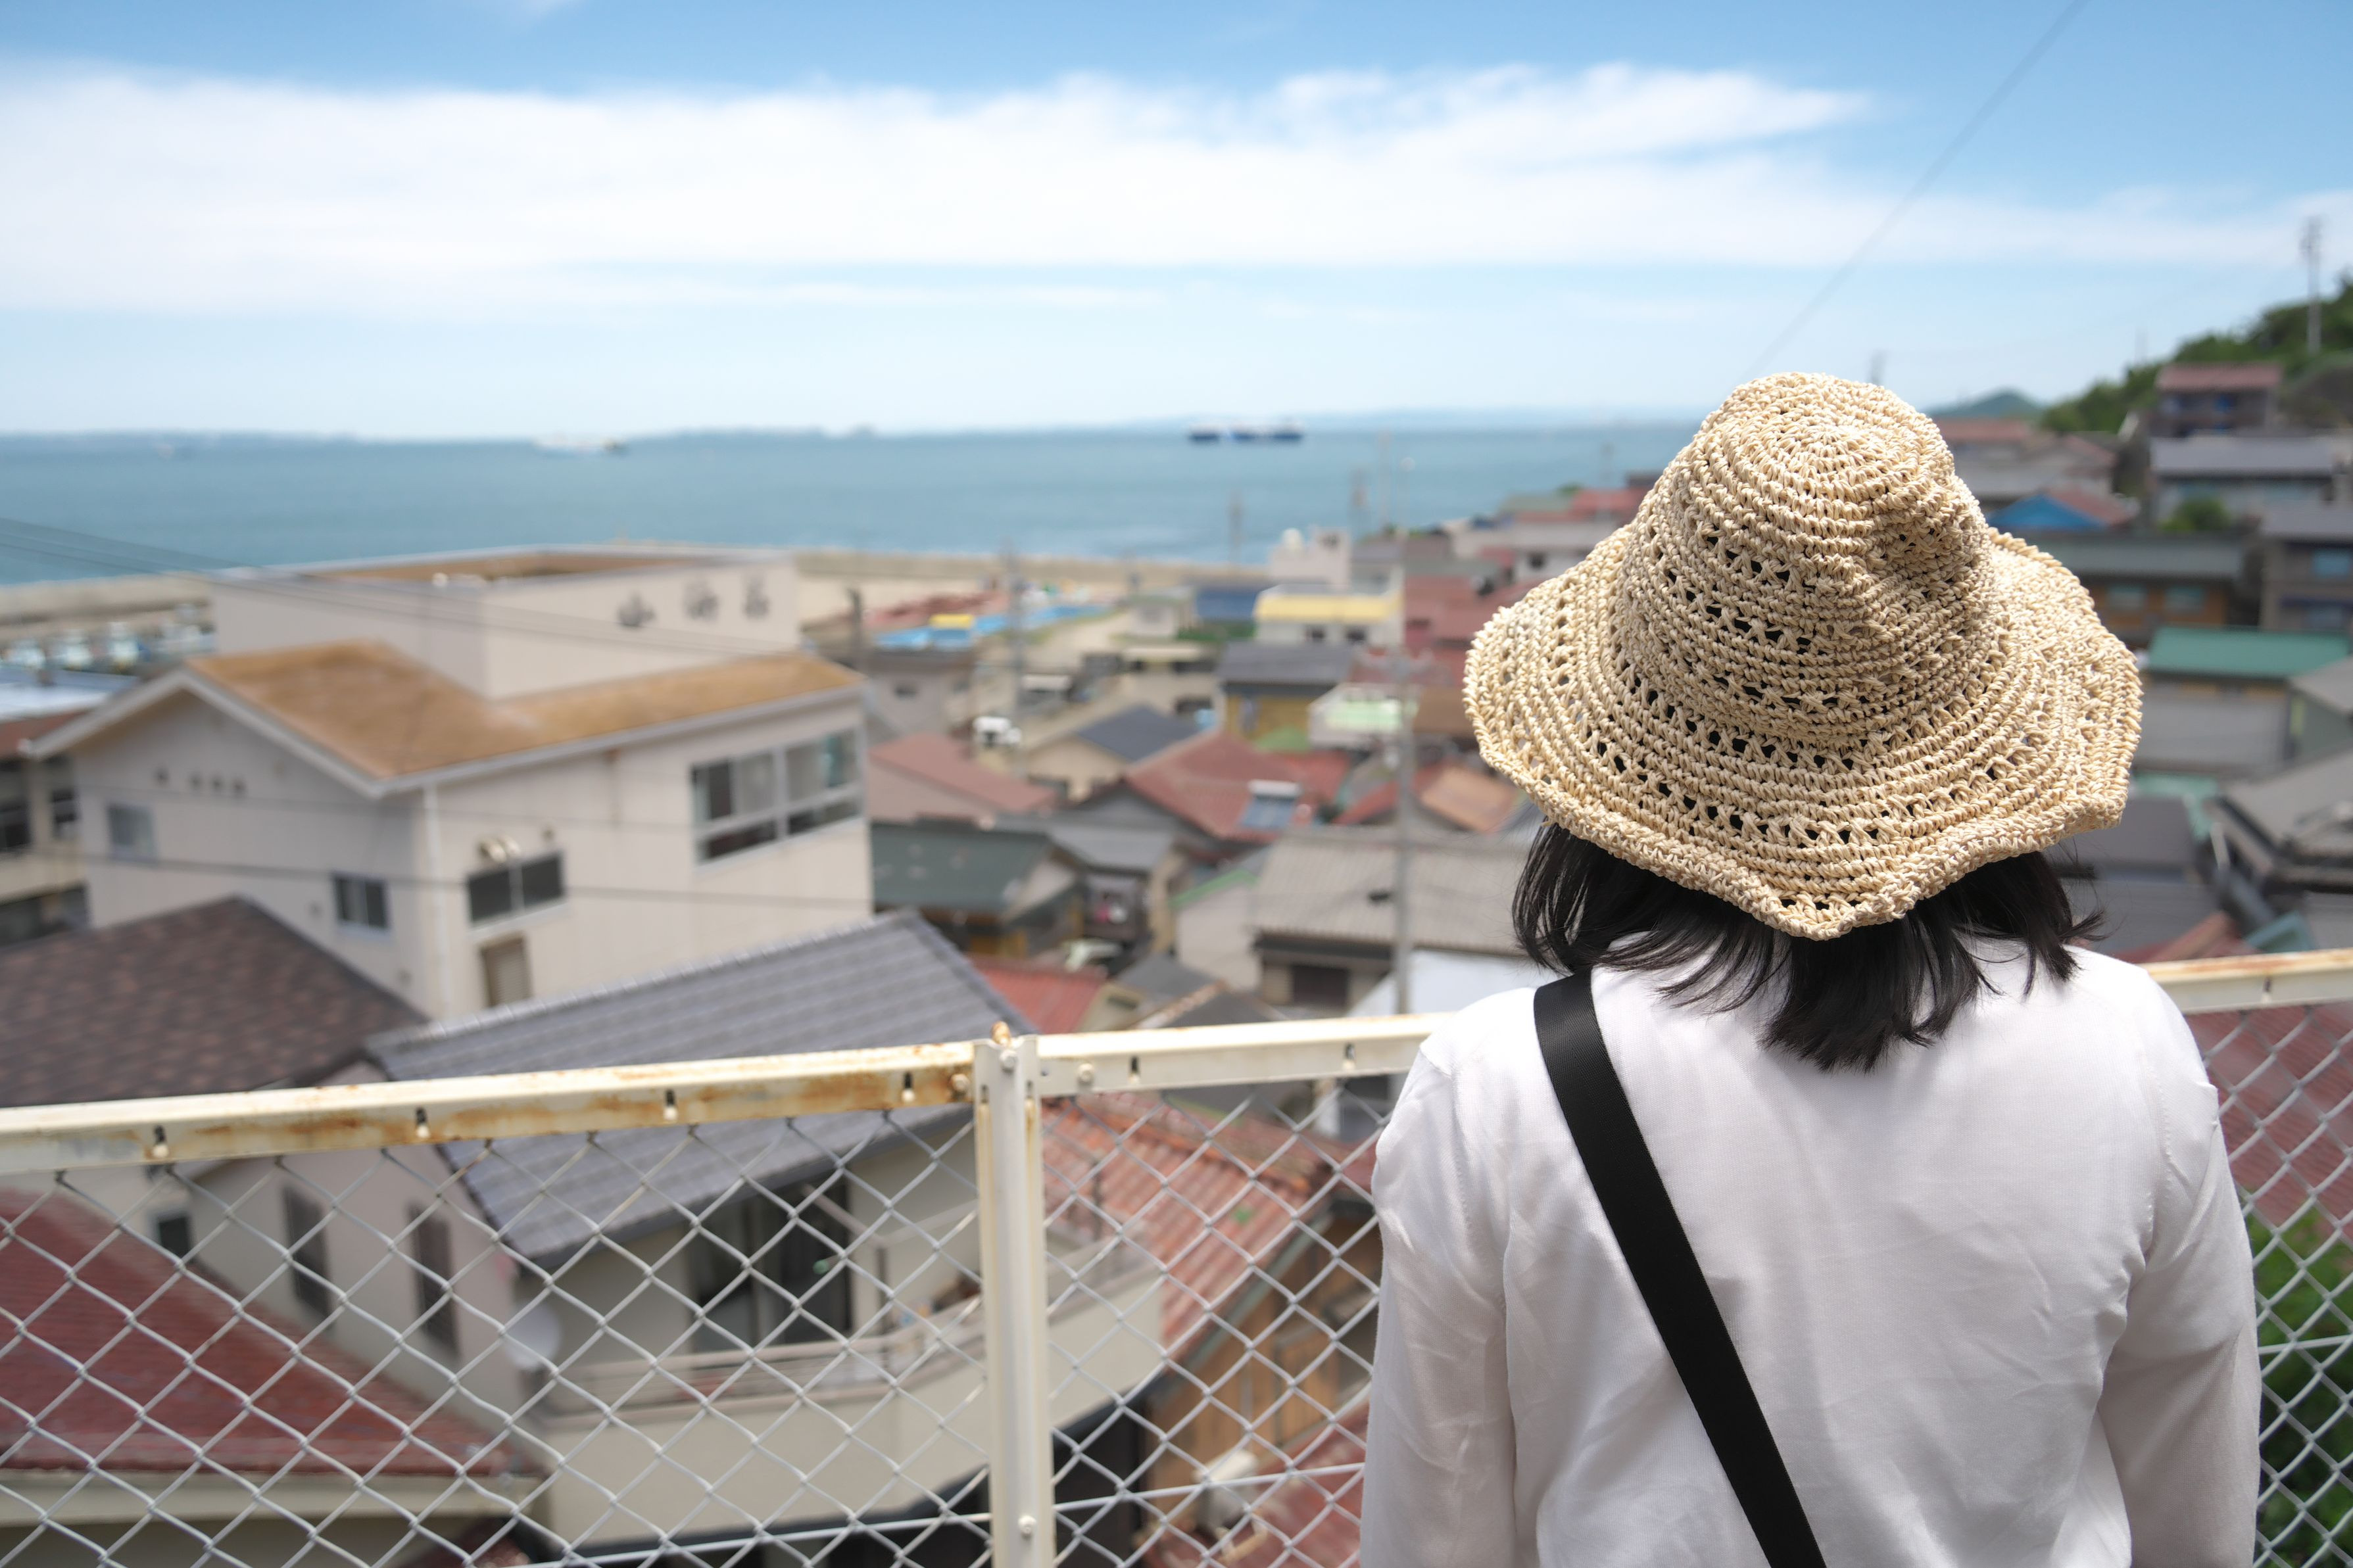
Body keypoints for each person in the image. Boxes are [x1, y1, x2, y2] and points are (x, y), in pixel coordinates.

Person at [1362, 374, 2256, 1566]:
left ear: (1626, 742)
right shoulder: (2127, 1043)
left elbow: (1435, 1527)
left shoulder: (1498, 1086)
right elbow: (2198, 1496)